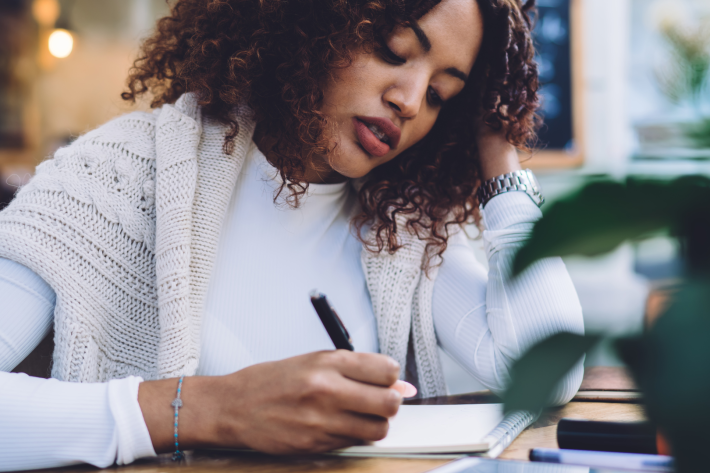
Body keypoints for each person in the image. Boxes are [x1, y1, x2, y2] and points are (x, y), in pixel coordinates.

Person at [0, 0, 584, 470]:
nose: (408, 101)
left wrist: (498, 147)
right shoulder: (117, 176)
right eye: (392, 51)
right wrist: (207, 410)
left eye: (441, 95)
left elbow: (549, 371)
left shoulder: (399, 229)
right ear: (314, 21)